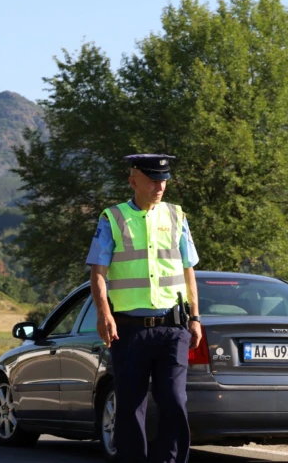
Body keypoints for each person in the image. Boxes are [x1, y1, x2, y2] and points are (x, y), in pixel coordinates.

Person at [87, 154, 202, 463]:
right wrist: (104, 314)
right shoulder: (112, 217)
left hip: (172, 328)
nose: (159, 186)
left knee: (175, 400)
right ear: (133, 180)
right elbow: (98, 271)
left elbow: (188, 269)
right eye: (152, 180)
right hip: (128, 330)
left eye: (163, 181)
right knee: (129, 406)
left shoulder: (177, 216)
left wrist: (195, 317)